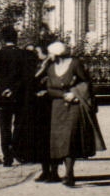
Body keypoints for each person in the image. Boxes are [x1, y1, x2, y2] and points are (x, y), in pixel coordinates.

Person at [34, 42, 105, 187]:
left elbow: (86, 82)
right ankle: (55, 172)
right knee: (58, 140)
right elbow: (49, 88)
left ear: (57, 54)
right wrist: (62, 95)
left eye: (51, 53)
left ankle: (69, 174)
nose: (50, 56)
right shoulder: (51, 68)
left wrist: (73, 94)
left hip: (74, 105)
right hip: (58, 107)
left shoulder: (75, 64)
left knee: (70, 139)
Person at [0, 26, 39, 166]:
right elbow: (26, 77)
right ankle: (16, 148)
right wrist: (15, 90)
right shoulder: (23, 54)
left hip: (3, 96)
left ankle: (7, 158)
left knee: (4, 126)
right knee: (18, 124)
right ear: (16, 38)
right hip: (20, 95)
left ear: (3, 39)